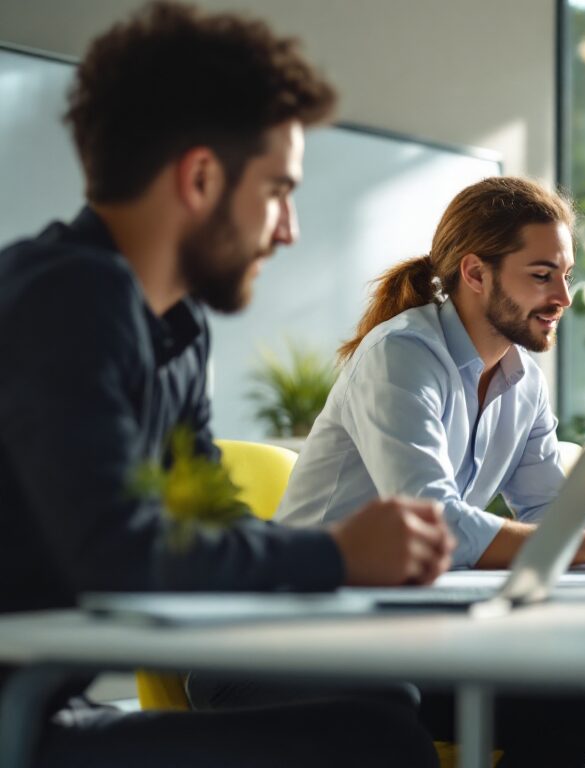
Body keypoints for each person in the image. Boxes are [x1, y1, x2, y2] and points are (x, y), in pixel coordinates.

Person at [0, 3, 452, 766]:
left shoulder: (175, 329)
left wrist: (352, 563)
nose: (288, 229)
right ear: (202, 177)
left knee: (379, 709)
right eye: (278, 190)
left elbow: (208, 520)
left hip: (50, 707)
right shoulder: (69, 296)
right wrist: (337, 556)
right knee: (374, 738)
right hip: (24, 720)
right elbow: (118, 551)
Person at [275, 175, 585, 572]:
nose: (563, 299)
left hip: (411, 595)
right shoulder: (399, 356)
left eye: (566, 276)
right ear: (476, 274)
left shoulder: (525, 382)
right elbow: (434, 522)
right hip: (311, 594)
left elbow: (548, 509)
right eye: (541, 275)